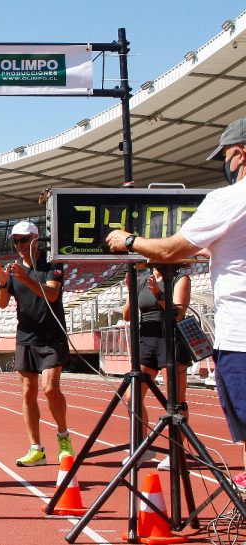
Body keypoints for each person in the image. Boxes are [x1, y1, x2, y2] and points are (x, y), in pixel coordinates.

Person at [106, 116, 246, 488]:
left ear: (242, 154)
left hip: (241, 338)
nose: (225, 166)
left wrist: (129, 241)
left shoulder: (229, 198)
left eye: (227, 157)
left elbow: (171, 248)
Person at [0, 220, 75, 467]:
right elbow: (1, 303)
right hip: (26, 337)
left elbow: (52, 294)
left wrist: (25, 279)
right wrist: (1, 282)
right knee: (27, 392)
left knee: (50, 388)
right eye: (15, 241)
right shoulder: (13, 270)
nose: (19, 245)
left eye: (23, 240)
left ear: (35, 240)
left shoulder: (52, 264)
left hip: (52, 336)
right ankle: (35, 448)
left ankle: (63, 439)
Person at [120, 266, 191, 470]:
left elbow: (178, 313)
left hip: (171, 339)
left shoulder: (180, 278)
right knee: (132, 397)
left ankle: (177, 451)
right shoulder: (142, 280)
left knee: (175, 400)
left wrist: (159, 294)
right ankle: (143, 447)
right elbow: (127, 315)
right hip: (147, 339)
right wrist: (131, 292)